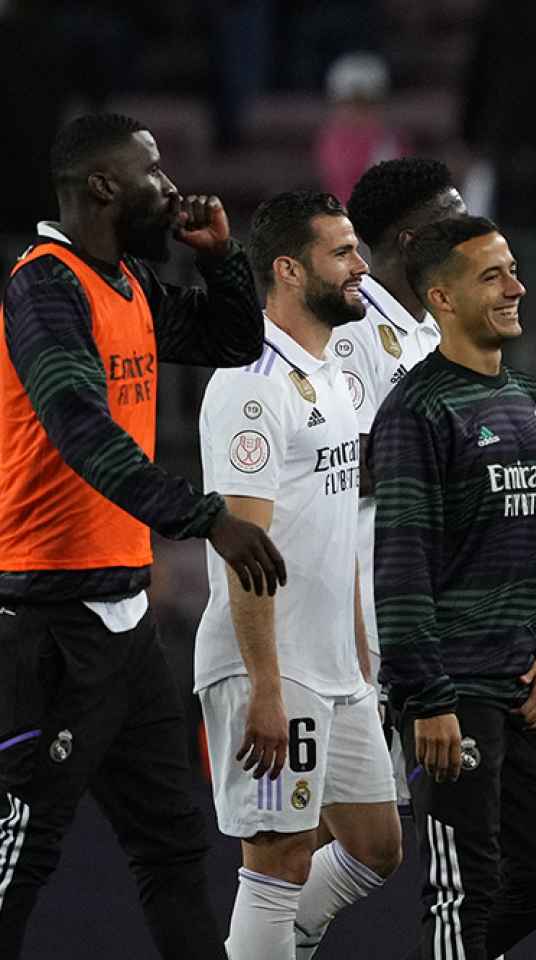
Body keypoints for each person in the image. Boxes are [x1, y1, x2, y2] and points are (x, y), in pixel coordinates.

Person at [0, 112, 283, 960]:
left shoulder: (128, 283)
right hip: (47, 624)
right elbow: (80, 429)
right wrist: (206, 519)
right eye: (152, 172)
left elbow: (236, 340)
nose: (171, 186)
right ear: (103, 187)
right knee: (20, 862)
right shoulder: (43, 285)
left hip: (124, 628)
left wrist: (221, 259)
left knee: (173, 849)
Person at [193, 189, 401, 958]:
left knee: (376, 845)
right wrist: (268, 687)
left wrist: (361, 659)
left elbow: (338, 531)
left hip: (336, 667)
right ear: (288, 267)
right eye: (342, 253)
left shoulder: (336, 380)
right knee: (276, 862)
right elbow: (244, 549)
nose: (361, 267)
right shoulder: (250, 382)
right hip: (270, 666)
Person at [374, 214, 536, 960]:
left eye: (515, 270)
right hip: (454, 689)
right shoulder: (416, 410)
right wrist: (425, 697)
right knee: (463, 887)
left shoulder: (529, 397)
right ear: (442, 298)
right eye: (492, 276)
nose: (516, 287)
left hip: (527, 685)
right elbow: (400, 566)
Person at [337, 156, 463, 811]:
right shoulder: (352, 327)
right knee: (359, 829)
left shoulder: (432, 329)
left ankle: (290, 919)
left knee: (382, 836)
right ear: (413, 242)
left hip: (423, 598)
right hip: (363, 602)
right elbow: (342, 461)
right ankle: (280, 917)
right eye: (455, 222)